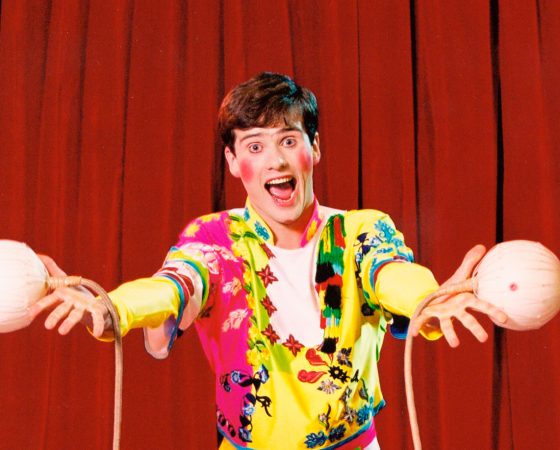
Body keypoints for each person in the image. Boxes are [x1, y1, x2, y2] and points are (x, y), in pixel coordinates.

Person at [30, 72, 507, 450]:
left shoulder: (359, 231)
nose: (275, 161)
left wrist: (429, 297)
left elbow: (389, 273)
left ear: (313, 148)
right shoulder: (216, 239)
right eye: (255, 146)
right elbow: (174, 284)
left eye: (288, 140)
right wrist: (113, 307)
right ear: (233, 161)